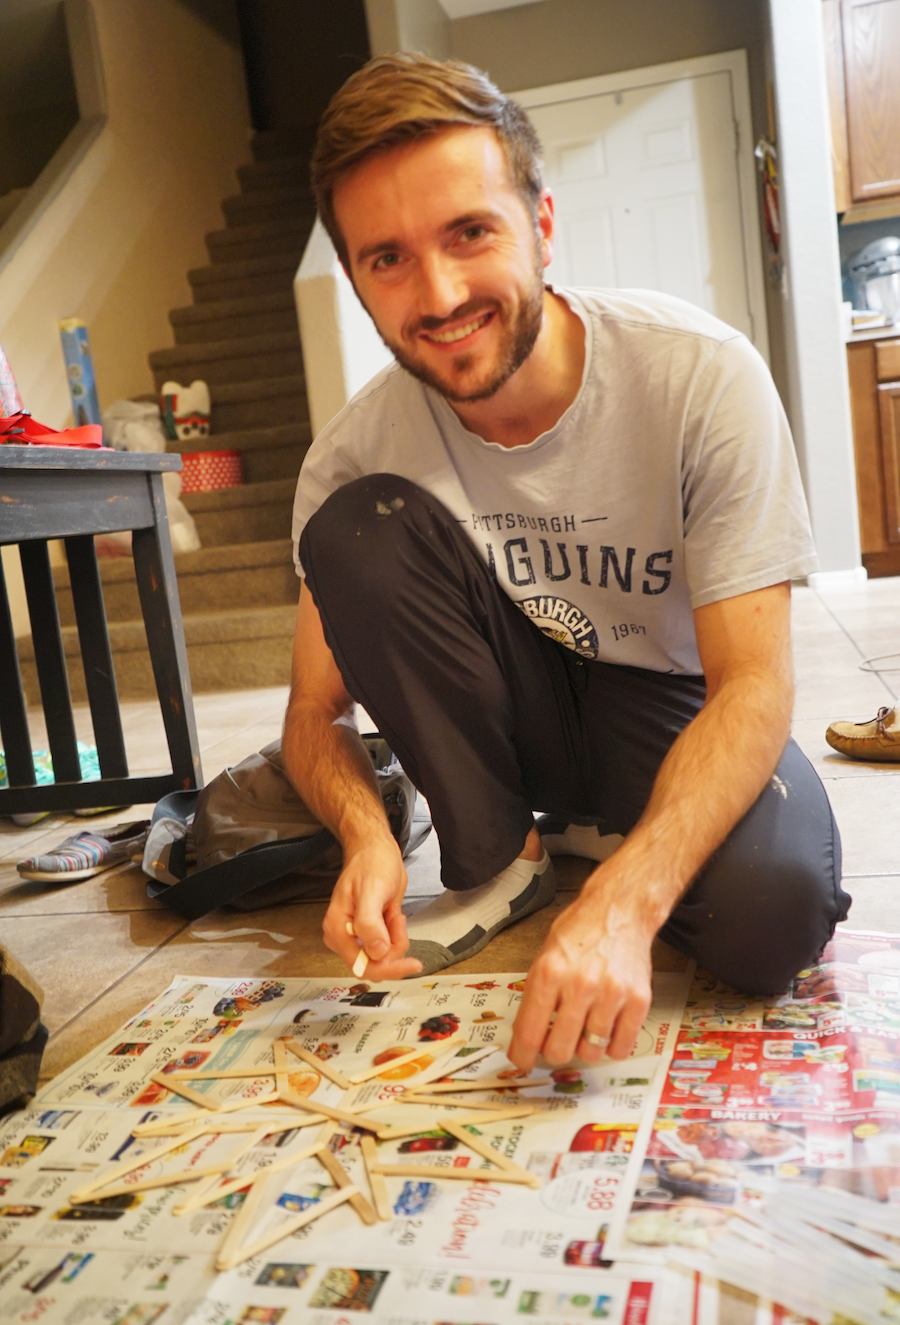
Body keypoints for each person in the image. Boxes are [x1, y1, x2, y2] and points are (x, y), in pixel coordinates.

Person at [283, 53, 850, 1070]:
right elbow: (313, 714)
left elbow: (756, 684)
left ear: (541, 226)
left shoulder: (700, 377)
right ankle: (505, 853)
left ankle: (600, 838)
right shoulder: (351, 454)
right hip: (512, 701)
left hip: (667, 701)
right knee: (354, 528)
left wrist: (628, 902)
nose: (441, 291)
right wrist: (367, 837)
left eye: (470, 232)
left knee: (774, 918)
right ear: (358, 281)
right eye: (389, 258)